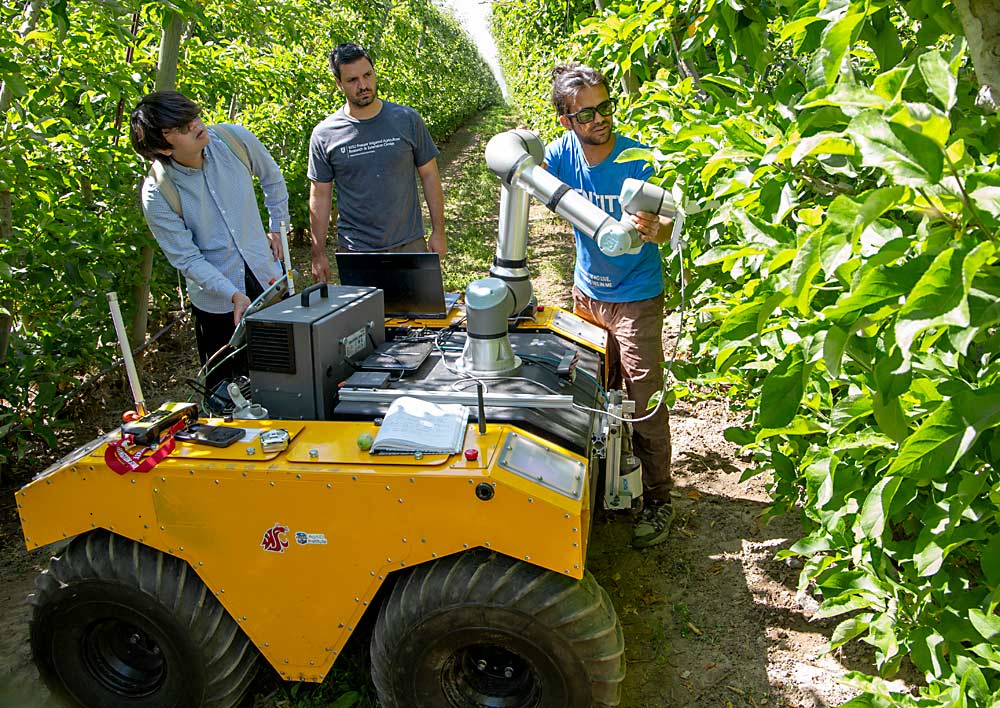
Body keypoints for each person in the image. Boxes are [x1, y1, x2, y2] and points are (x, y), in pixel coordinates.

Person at [543, 62, 674, 549]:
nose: (598, 119)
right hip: (586, 293)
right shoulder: (562, 156)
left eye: (604, 107)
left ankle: (659, 498)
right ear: (566, 121)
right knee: (594, 390)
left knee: (642, 400)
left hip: (635, 296)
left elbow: (669, 228)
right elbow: (525, 171)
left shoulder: (637, 159)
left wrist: (658, 230)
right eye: (585, 114)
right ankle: (606, 482)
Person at [129, 91, 288, 392]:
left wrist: (278, 227)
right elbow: (187, 259)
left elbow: (272, 178)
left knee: (292, 371)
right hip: (218, 300)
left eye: (191, 116)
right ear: (163, 147)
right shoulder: (158, 192)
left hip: (268, 276)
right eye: (180, 127)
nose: (194, 125)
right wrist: (232, 295)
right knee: (230, 390)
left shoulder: (233, 140)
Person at [307, 42, 446, 283]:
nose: (363, 86)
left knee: (418, 317)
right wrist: (318, 253)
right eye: (352, 80)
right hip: (357, 251)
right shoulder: (325, 134)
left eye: (367, 75)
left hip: (409, 245)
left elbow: (430, 176)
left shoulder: (407, 120)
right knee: (364, 320)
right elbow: (320, 196)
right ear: (339, 84)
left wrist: (439, 231)